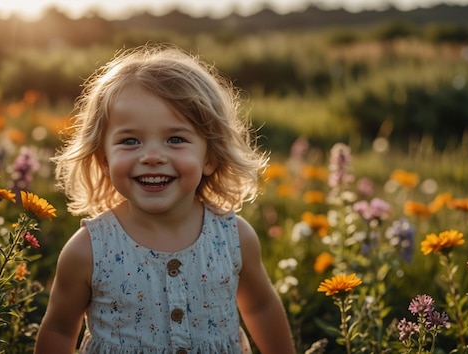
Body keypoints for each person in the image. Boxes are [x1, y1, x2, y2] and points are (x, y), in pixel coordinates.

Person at [34, 44, 296, 354]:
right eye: (130, 141)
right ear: (104, 159)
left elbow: (261, 307)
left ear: (210, 156)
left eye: (175, 139)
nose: (153, 157)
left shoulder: (233, 237)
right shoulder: (89, 250)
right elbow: (60, 329)